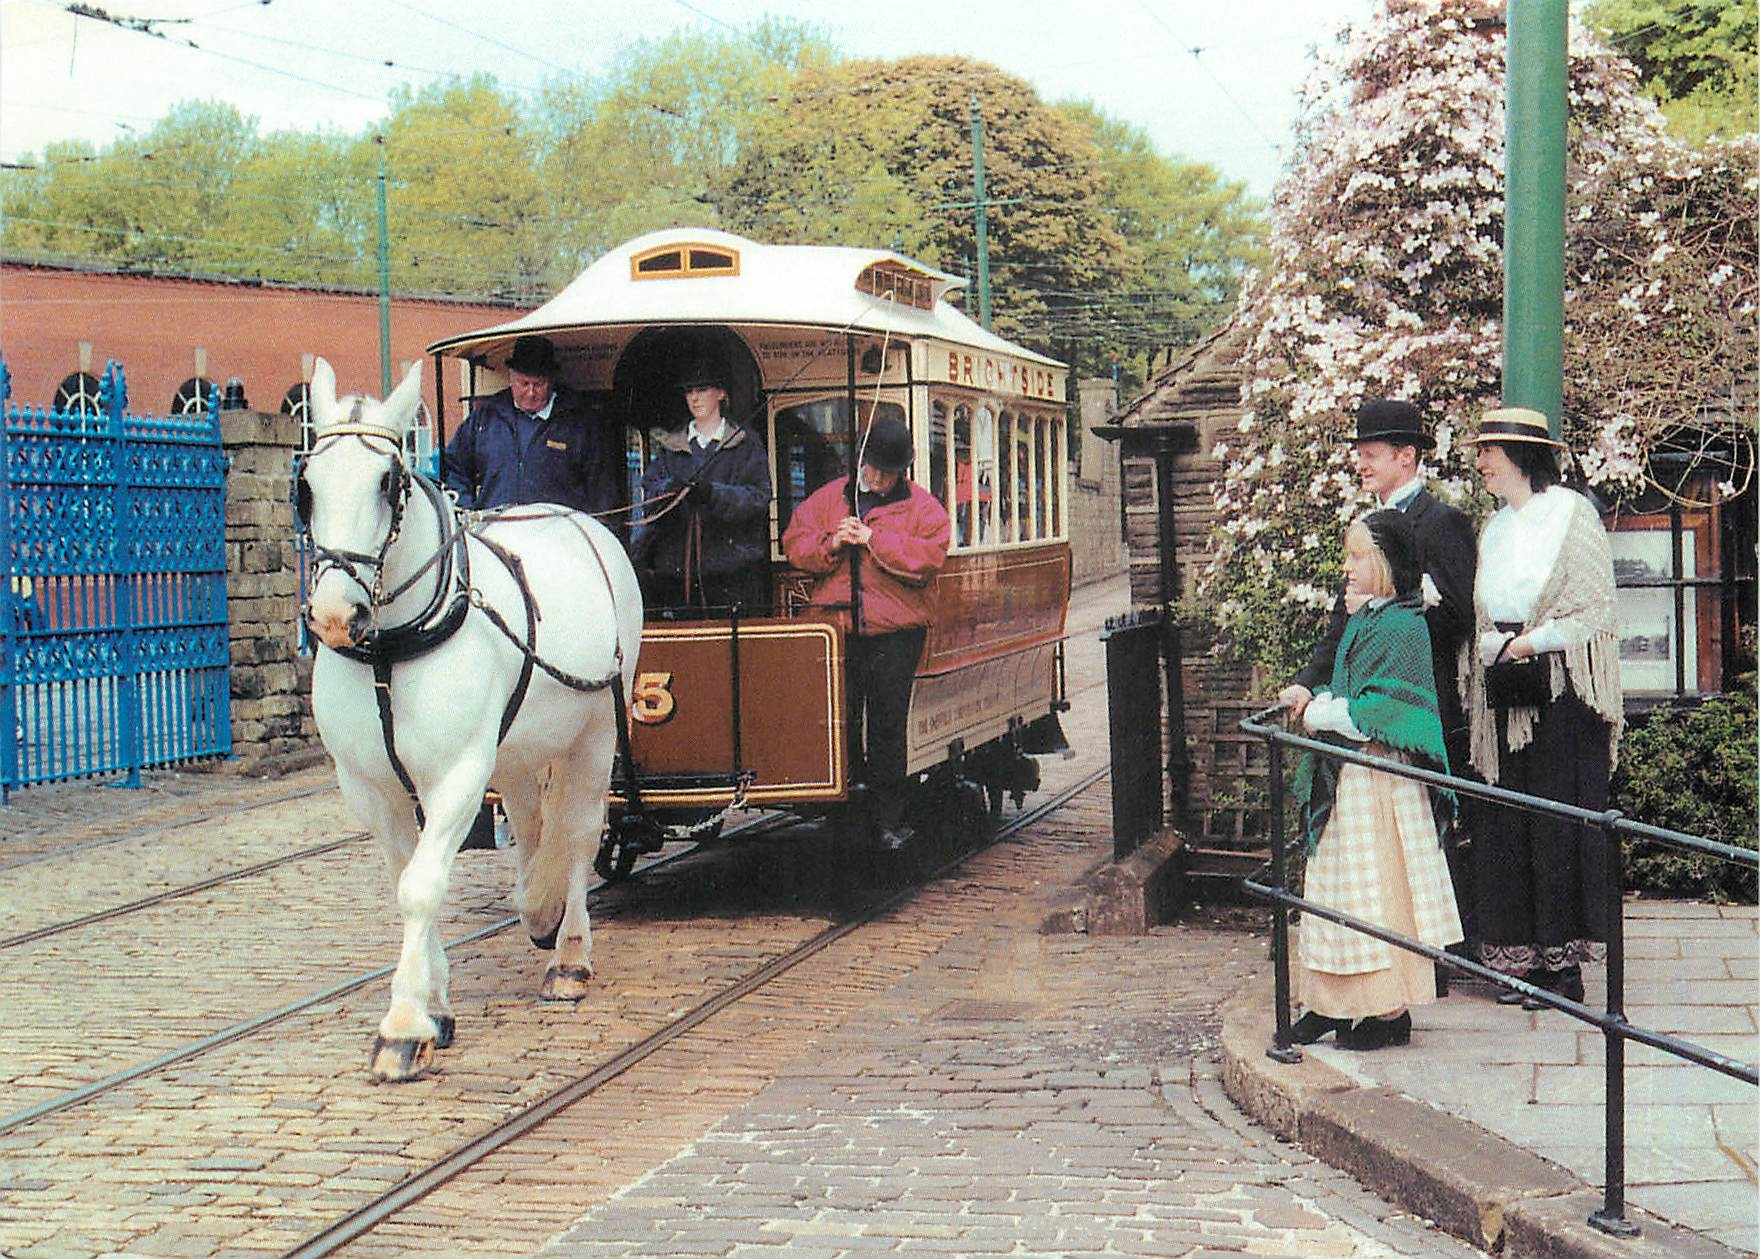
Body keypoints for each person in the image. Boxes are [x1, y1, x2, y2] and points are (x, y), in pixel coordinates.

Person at [1278, 399, 1478, 971]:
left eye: (1370, 455)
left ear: (1406, 456)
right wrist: (1305, 683)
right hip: (1360, 704)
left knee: (1415, 835)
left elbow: (1460, 615)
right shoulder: (1367, 529)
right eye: (1360, 455)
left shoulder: (1443, 524)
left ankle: (1429, 962)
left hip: (1415, 703)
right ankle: (1385, 967)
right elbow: (1342, 625)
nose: (1361, 465)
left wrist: (1392, 610)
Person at [1460, 408, 1623, 1009]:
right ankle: (1522, 961)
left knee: (1558, 822)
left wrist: (1525, 642)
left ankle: (1565, 970)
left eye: (1488, 453)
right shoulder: (1494, 527)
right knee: (1508, 823)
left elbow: (1594, 611)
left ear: (1520, 456)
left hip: (1561, 694)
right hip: (1506, 692)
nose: (1480, 464)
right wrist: (1493, 649)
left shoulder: (1572, 514)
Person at [1288, 510, 1464, 1049]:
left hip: (1380, 779)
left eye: (1358, 555)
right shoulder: (1366, 619)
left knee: (1376, 893)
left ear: (1385, 563)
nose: (1348, 566)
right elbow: (1349, 689)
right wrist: (1322, 699)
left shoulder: (1404, 625)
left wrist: (1320, 712)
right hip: (1348, 776)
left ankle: (1387, 1013)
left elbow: (1382, 710)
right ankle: (1331, 1005)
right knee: (1335, 888)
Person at [782, 415, 951, 848]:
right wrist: (833, 544)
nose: (874, 477)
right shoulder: (828, 499)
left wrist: (872, 539)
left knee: (887, 725)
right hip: (838, 626)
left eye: (884, 471)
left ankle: (888, 818)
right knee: (839, 721)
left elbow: (928, 558)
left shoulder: (925, 509)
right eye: (869, 467)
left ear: (900, 472)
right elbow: (795, 542)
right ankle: (843, 812)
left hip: (895, 632)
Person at [632, 360, 772, 611]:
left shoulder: (745, 442)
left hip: (731, 573)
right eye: (689, 391)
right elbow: (649, 495)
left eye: (702, 390)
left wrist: (713, 494)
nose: (694, 398)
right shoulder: (670, 445)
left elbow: (759, 498)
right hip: (676, 574)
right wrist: (669, 490)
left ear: (721, 394)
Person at [441, 335, 621, 516]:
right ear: (511, 378)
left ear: (551, 380)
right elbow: (453, 466)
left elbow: (602, 490)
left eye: (539, 384)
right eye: (524, 383)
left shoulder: (580, 423)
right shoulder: (486, 417)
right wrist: (464, 508)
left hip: (560, 535)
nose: (531, 393)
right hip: (495, 531)